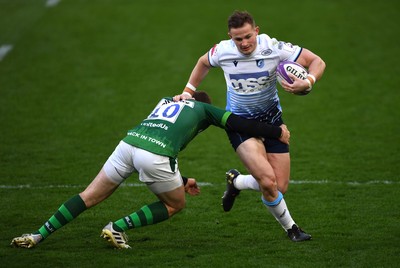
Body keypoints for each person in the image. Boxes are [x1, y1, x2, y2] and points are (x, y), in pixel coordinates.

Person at [11, 91, 291, 249]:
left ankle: (37, 235)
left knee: (88, 196)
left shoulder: (166, 102)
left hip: (128, 145)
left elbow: (156, 144)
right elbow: (242, 124)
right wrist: (276, 131)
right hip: (155, 156)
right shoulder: (206, 110)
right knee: (175, 204)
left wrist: (181, 178)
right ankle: (117, 227)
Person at [174, 10, 326, 241]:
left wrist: (308, 81)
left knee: (280, 187)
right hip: (240, 125)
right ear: (230, 36)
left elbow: (317, 61)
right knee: (267, 181)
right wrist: (188, 91)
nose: (244, 43)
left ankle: (236, 181)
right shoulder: (223, 51)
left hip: (272, 120)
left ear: (256, 31)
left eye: (248, 36)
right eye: (238, 39)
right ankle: (292, 229)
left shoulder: (274, 48)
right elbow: (203, 62)